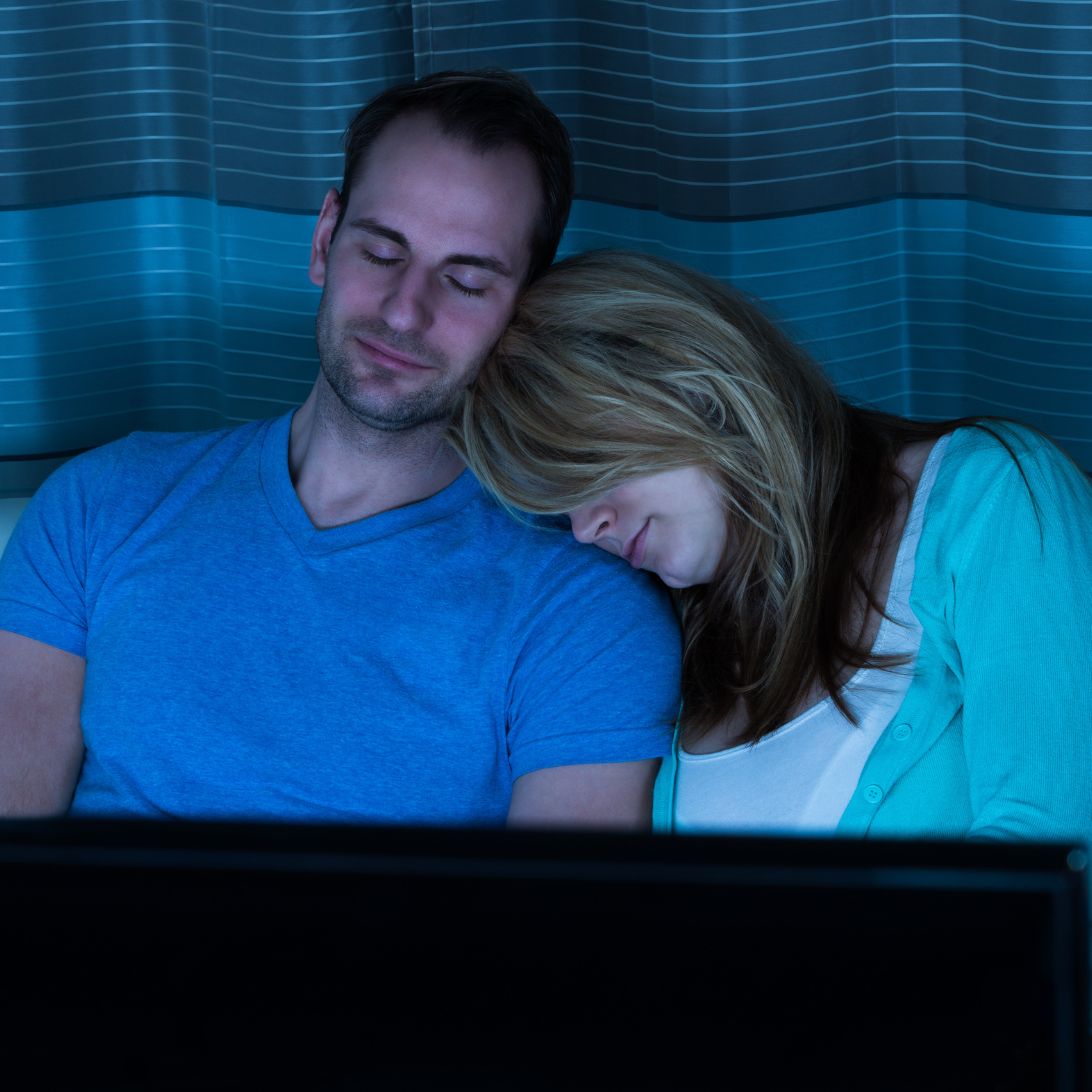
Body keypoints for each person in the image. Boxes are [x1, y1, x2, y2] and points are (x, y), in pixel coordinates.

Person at [0, 75, 681, 826]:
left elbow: (557, 936)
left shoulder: (582, 610)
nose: (403, 311)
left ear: (527, 310)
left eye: (464, 280)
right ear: (325, 239)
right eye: (382, 251)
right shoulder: (100, 503)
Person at [454, 248, 1092, 841]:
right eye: (558, 500)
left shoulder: (992, 495)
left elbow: (1052, 853)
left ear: (690, 384)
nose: (583, 528)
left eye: (589, 467)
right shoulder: (655, 636)